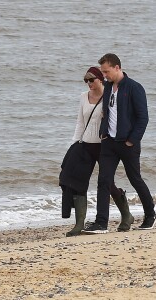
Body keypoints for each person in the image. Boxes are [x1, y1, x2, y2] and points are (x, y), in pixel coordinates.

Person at [82, 54, 156, 234]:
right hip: (109, 142)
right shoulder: (108, 87)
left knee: (135, 179)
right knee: (104, 181)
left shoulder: (134, 88)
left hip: (128, 143)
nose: (104, 75)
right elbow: (105, 113)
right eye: (102, 72)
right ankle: (101, 223)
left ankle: (150, 215)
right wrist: (103, 132)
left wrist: (132, 140)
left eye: (106, 72)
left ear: (117, 68)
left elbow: (143, 118)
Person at [60, 66, 133, 237]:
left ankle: (126, 215)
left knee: (107, 183)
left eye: (91, 80)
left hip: (104, 146)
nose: (88, 83)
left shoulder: (109, 96)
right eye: (86, 80)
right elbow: (80, 122)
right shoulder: (83, 97)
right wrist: (74, 144)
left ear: (101, 79)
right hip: (85, 145)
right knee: (77, 182)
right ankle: (79, 225)